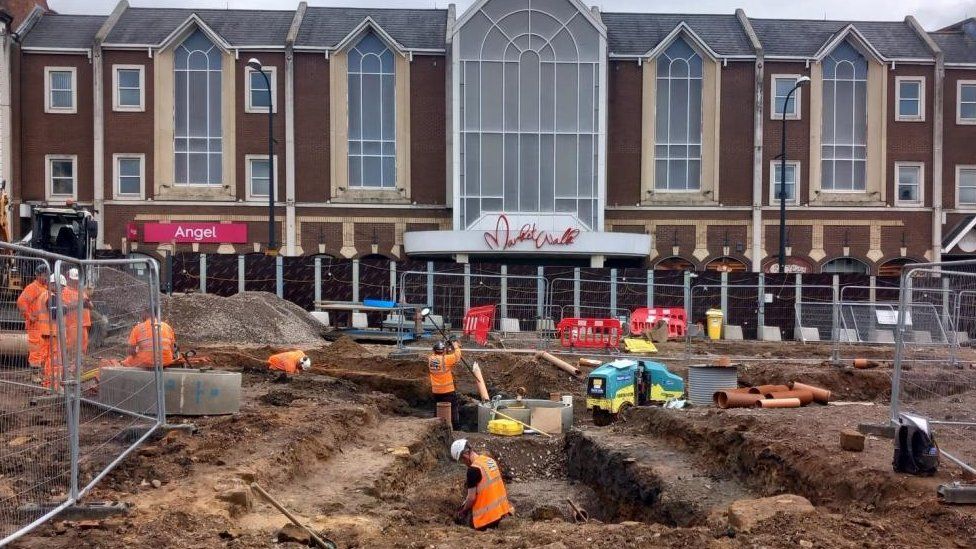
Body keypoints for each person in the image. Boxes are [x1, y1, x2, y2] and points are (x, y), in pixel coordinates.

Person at [450, 439, 513, 530]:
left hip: (488, 519)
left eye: (462, 461)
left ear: (465, 456)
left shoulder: (473, 470)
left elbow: (471, 498)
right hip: (503, 511)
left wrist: (463, 511)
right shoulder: (489, 460)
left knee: (466, 516)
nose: (464, 463)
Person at [16, 265, 50, 370]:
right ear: (38, 275)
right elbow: (21, 302)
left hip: (44, 325)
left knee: (44, 349)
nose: (46, 278)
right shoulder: (32, 288)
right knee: (35, 349)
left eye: (47, 275)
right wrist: (29, 316)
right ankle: (35, 374)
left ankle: (42, 372)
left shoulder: (46, 288)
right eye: (44, 275)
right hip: (35, 325)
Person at [428, 339, 462, 428]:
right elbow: (457, 356)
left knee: (437, 409)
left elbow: (440, 357)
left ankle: (436, 426)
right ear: (443, 351)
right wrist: (455, 346)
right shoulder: (446, 359)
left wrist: (447, 348)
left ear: (434, 350)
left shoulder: (431, 359)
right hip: (448, 391)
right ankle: (456, 427)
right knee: (453, 409)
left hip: (436, 391)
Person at [62, 268, 92, 355]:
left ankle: (79, 364)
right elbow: (64, 307)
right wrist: (80, 303)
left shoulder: (81, 291)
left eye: (77, 280)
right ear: (69, 279)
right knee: (72, 347)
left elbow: (91, 305)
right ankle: (71, 366)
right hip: (72, 325)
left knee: (83, 347)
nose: (76, 282)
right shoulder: (65, 291)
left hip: (84, 324)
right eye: (74, 280)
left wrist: (87, 303)